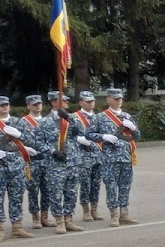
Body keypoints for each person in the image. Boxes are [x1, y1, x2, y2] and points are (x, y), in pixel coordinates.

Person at [32, 90, 87, 234]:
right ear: (54, 102)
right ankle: (59, 221)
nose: (66, 102)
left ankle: (69, 219)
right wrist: (52, 152)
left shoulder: (70, 118)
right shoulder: (44, 122)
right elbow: (37, 143)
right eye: (63, 100)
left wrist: (69, 118)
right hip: (55, 164)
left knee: (71, 192)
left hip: (72, 161)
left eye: (67, 100)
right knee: (56, 193)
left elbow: (83, 132)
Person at [88, 87, 142, 225]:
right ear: (108, 99)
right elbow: (89, 134)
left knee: (125, 186)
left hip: (126, 157)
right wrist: (104, 136)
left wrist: (134, 128)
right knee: (111, 187)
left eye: (120, 99)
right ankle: (114, 215)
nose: (118, 101)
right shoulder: (100, 117)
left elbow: (138, 136)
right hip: (109, 158)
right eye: (115, 99)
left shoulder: (127, 116)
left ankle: (124, 213)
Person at [0, 95, 35, 239]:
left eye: (6, 104)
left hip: (17, 165)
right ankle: (0, 228)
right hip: (1, 166)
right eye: (2, 105)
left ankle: (17, 226)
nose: (5, 107)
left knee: (17, 196)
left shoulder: (18, 122)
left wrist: (20, 134)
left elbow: (32, 139)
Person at [17, 95, 49, 229]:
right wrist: (25, 148)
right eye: (34, 104)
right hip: (32, 161)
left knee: (47, 190)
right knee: (33, 190)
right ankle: (35, 217)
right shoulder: (23, 122)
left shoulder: (47, 121)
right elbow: (18, 140)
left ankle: (45, 216)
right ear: (28, 106)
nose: (38, 106)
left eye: (39, 103)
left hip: (46, 160)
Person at [73, 90, 104, 221]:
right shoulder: (74, 117)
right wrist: (78, 139)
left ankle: (94, 209)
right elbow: (67, 135)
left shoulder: (99, 117)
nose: (91, 104)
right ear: (81, 102)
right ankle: (86, 211)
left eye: (92, 101)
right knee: (85, 184)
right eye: (88, 101)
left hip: (98, 154)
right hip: (83, 156)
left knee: (96, 183)